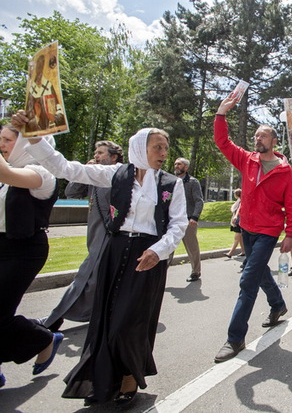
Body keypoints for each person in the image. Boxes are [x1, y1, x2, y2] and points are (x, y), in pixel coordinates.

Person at [15, 112, 189, 407]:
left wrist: (158, 251)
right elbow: (66, 168)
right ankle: (104, 380)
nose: (163, 153)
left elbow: (178, 224)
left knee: (130, 321)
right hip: (115, 250)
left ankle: (130, 377)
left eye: (165, 148)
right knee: (106, 320)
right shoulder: (115, 174)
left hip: (148, 256)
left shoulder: (171, 183)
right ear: (139, 148)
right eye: (157, 147)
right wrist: (34, 138)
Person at [213, 95, 292, 363]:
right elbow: (222, 142)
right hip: (247, 228)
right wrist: (221, 114)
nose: (257, 139)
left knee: (248, 280)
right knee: (260, 271)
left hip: (268, 231)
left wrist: (291, 234)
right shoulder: (246, 160)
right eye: (255, 136)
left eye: (262, 136)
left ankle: (235, 338)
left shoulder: (285, 171)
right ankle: (277, 304)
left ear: (274, 141)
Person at [0, 124, 62, 388]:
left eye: (7, 140)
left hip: (24, 250)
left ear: (26, 144)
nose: (1, 144)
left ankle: (43, 338)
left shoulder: (41, 173)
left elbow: (11, 174)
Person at [40, 140, 124, 332]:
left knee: (86, 277)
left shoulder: (119, 176)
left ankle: (54, 319)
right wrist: (84, 173)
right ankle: (102, 313)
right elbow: (71, 192)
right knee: (98, 277)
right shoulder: (92, 175)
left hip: (108, 234)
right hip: (94, 235)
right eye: (96, 152)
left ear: (113, 157)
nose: (96, 156)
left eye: (101, 153)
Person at [173, 157, 204, 282]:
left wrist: (194, 217)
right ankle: (161, 272)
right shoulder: (172, 181)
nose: (176, 166)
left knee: (192, 248)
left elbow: (199, 201)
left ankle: (195, 272)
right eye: (175, 164)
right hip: (173, 221)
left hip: (188, 220)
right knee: (168, 247)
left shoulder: (192, 182)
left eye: (179, 164)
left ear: (186, 167)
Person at [226, 188, 244, 259]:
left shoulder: (240, 202)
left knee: (237, 238)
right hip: (238, 221)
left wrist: (235, 217)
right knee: (240, 238)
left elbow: (238, 211)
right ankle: (243, 251)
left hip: (239, 222)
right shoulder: (239, 201)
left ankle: (230, 253)